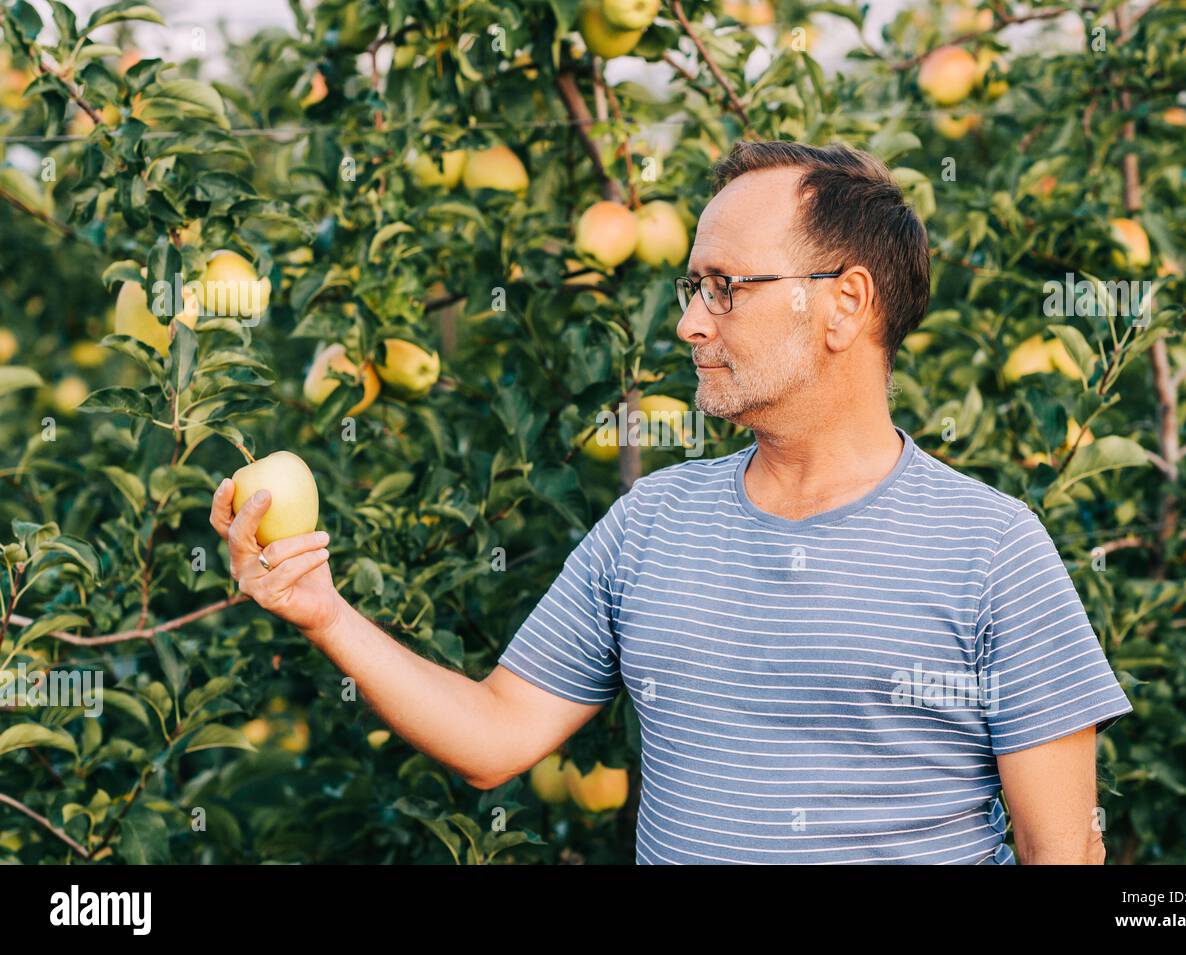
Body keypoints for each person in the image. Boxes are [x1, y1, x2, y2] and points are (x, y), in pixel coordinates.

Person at [210, 140, 1132, 864]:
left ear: (845, 304)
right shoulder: (650, 524)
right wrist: (322, 612)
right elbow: (493, 736)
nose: (690, 321)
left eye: (725, 288)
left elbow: (1061, 849)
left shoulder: (990, 548)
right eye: (692, 286)